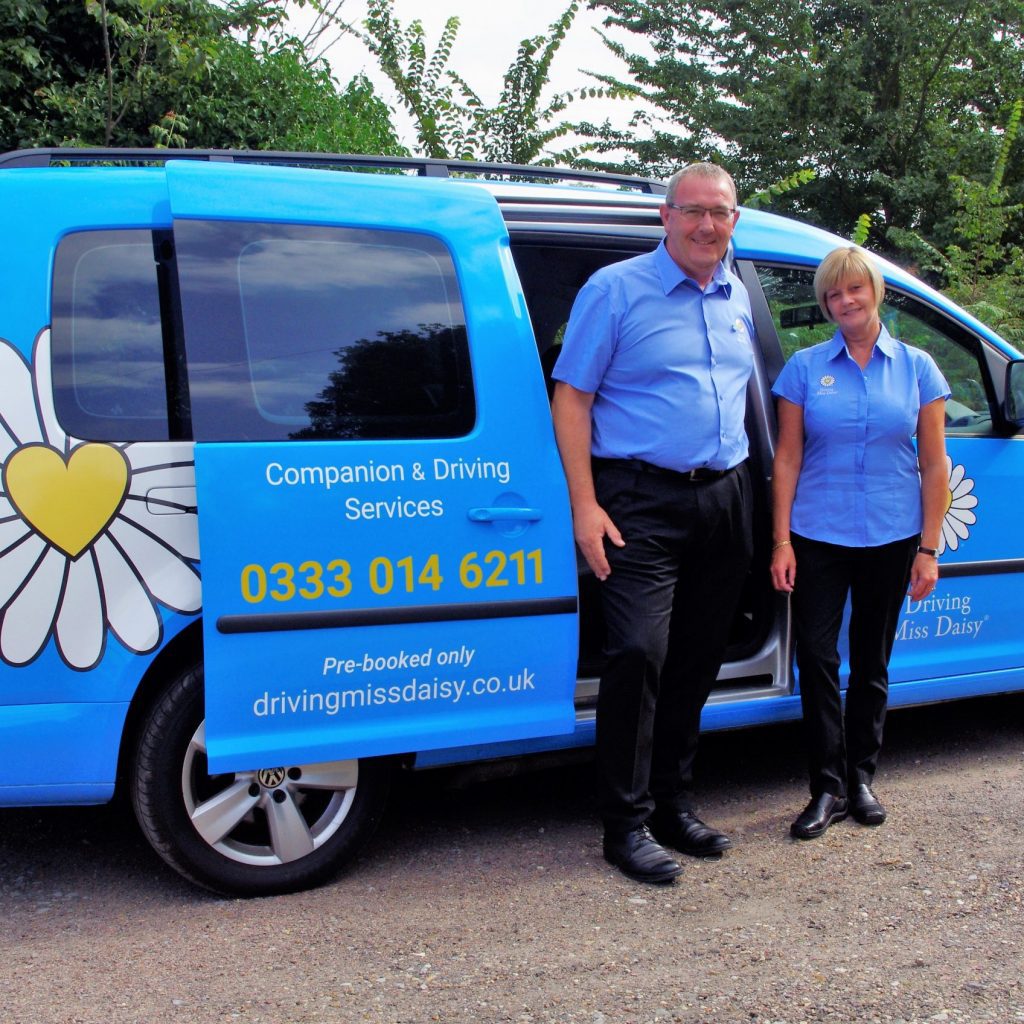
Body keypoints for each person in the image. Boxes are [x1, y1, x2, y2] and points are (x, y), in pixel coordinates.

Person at [550, 163, 755, 884]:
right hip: (639, 497)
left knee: (698, 658)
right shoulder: (616, 290)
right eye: (693, 211)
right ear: (664, 217)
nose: (707, 225)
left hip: (724, 496)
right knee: (637, 653)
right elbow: (571, 399)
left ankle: (673, 802)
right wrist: (585, 505)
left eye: (720, 213)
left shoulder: (735, 295)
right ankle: (624, 825)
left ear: (735, 220)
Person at [770, 246, 950, 840]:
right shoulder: (803, 367)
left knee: (871, 659)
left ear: (876, 290)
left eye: (854, 290)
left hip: (893, 533)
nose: (844, 302)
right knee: (817, 658)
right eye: (832, 295)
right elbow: (788, 457)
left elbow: (933, 462)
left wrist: (928, 549)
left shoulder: (918, 368)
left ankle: (862, 777)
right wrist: (780, 541)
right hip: (816, 532)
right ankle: (826, 787)